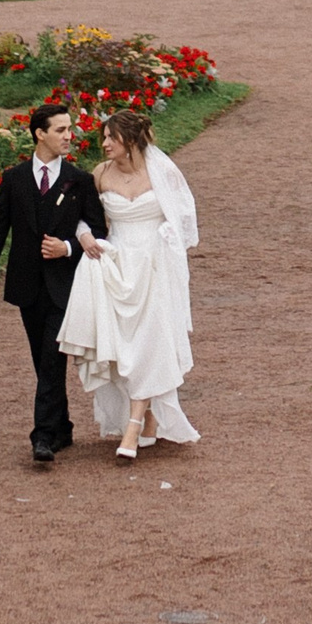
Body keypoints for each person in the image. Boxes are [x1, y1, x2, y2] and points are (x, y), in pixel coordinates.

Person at [57, 110, 200, 458]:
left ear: (131, 140)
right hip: (118, 265)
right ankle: (148, 420)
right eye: (104, 137)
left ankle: (132, 430)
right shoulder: (101, 174)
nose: (104, 143)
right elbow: (84, 218)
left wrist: (168, 233)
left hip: (155, 266)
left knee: (151, 341)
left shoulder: (163, 171)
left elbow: (185, 217)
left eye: (111, 138)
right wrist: (86, 235)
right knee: (124, 346)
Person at [0, 103, 107, 463]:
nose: (68, 136)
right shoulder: (14, 178)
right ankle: (61, 427)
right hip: (27, 287)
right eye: (60, 130)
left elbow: (100, 232)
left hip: (66, 286)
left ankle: (43, 435)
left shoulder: (79, 180)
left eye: (69, 129)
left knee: (51, 358)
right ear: (40, 134)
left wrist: (66, 248)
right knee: (42, 360)